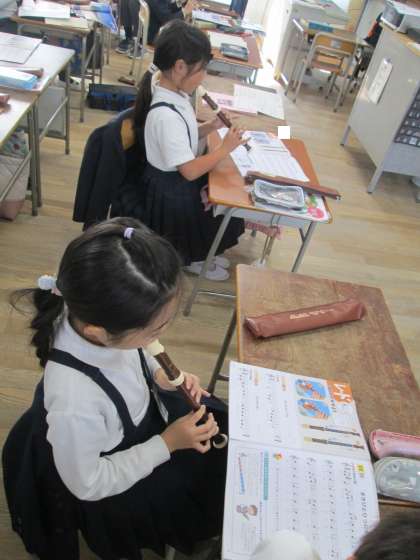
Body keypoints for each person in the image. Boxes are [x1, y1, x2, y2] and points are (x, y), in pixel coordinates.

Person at [2, 217, 228, 560]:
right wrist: (167, 443)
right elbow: (88, 482)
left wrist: (158, 372)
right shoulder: (76, 403)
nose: (160, 336)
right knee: (197, 490)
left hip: (134, 424)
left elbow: (137, 348)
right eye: (155, 329)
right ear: (99, 332)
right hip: (110, 473)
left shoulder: (93, 306)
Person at [113, 20, 246, 281]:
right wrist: (224, 149)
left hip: (172, 180)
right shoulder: (165, 115)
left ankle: (199, 254)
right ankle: (192, 259)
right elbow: (189, 170)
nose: (204, 76)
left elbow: (183, 138)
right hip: (171, 190)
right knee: (215, 207)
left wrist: (210, 126)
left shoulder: (174, 93)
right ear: (180, 67)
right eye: (202, 69)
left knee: (218, 200)